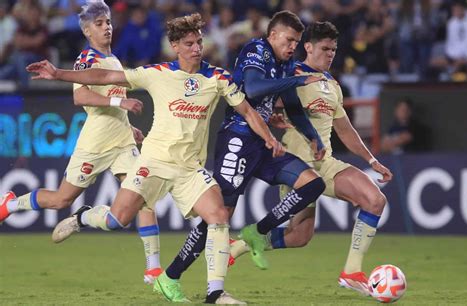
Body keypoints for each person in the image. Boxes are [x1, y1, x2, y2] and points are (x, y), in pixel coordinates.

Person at [26, 12, 283, 305]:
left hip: (189, 168)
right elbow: (106, 76)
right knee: (117, 219)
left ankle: (215, 293)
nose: (197, 48)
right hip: (153, 163)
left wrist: (269, 137)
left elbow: (248, 111)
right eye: (189, 43)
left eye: (199, 42)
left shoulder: (217, 77)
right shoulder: (157, 73)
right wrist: (59, 74)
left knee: (219, 216)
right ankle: (85, 216)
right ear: (175, 45)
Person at [154, 10, 328, 299]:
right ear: (272, 35)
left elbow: (294, 107)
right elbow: (253, 87)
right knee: (218, 217)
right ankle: (171, 275)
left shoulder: (286, 64)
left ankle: (257, 232)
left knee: (313, 184)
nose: (292, 47)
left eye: (296, 42)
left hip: (264, 144)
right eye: (288, 40)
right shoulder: (256, 50)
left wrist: (313, 137)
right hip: (238, 140)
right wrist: (297, 81)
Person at [0, 0, 163, 285]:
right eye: (99, 24)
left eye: (108, 22)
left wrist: (129, 127)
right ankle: (12, 203)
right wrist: (120, 101)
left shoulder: (113, 60)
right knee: (62, 199)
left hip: (122, 142)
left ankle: (153, 268)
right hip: (95, 144)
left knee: (143, 197)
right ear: (87, 31)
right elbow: (81, 97)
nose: (107, 28)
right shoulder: (86, 60)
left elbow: (110, 106)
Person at [228, 21, 393, 296]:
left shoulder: (332, 85)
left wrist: (372, 160)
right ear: (308, 47)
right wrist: (271, 118)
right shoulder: (290, 73)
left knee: (375, 200)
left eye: (334, 49)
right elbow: (257, 103)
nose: (331, 54)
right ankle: (240, 245)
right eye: (325, 48)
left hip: (325, 163)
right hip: (297, 167)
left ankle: (352, 272)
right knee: (298, 236)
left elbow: (346, 130)